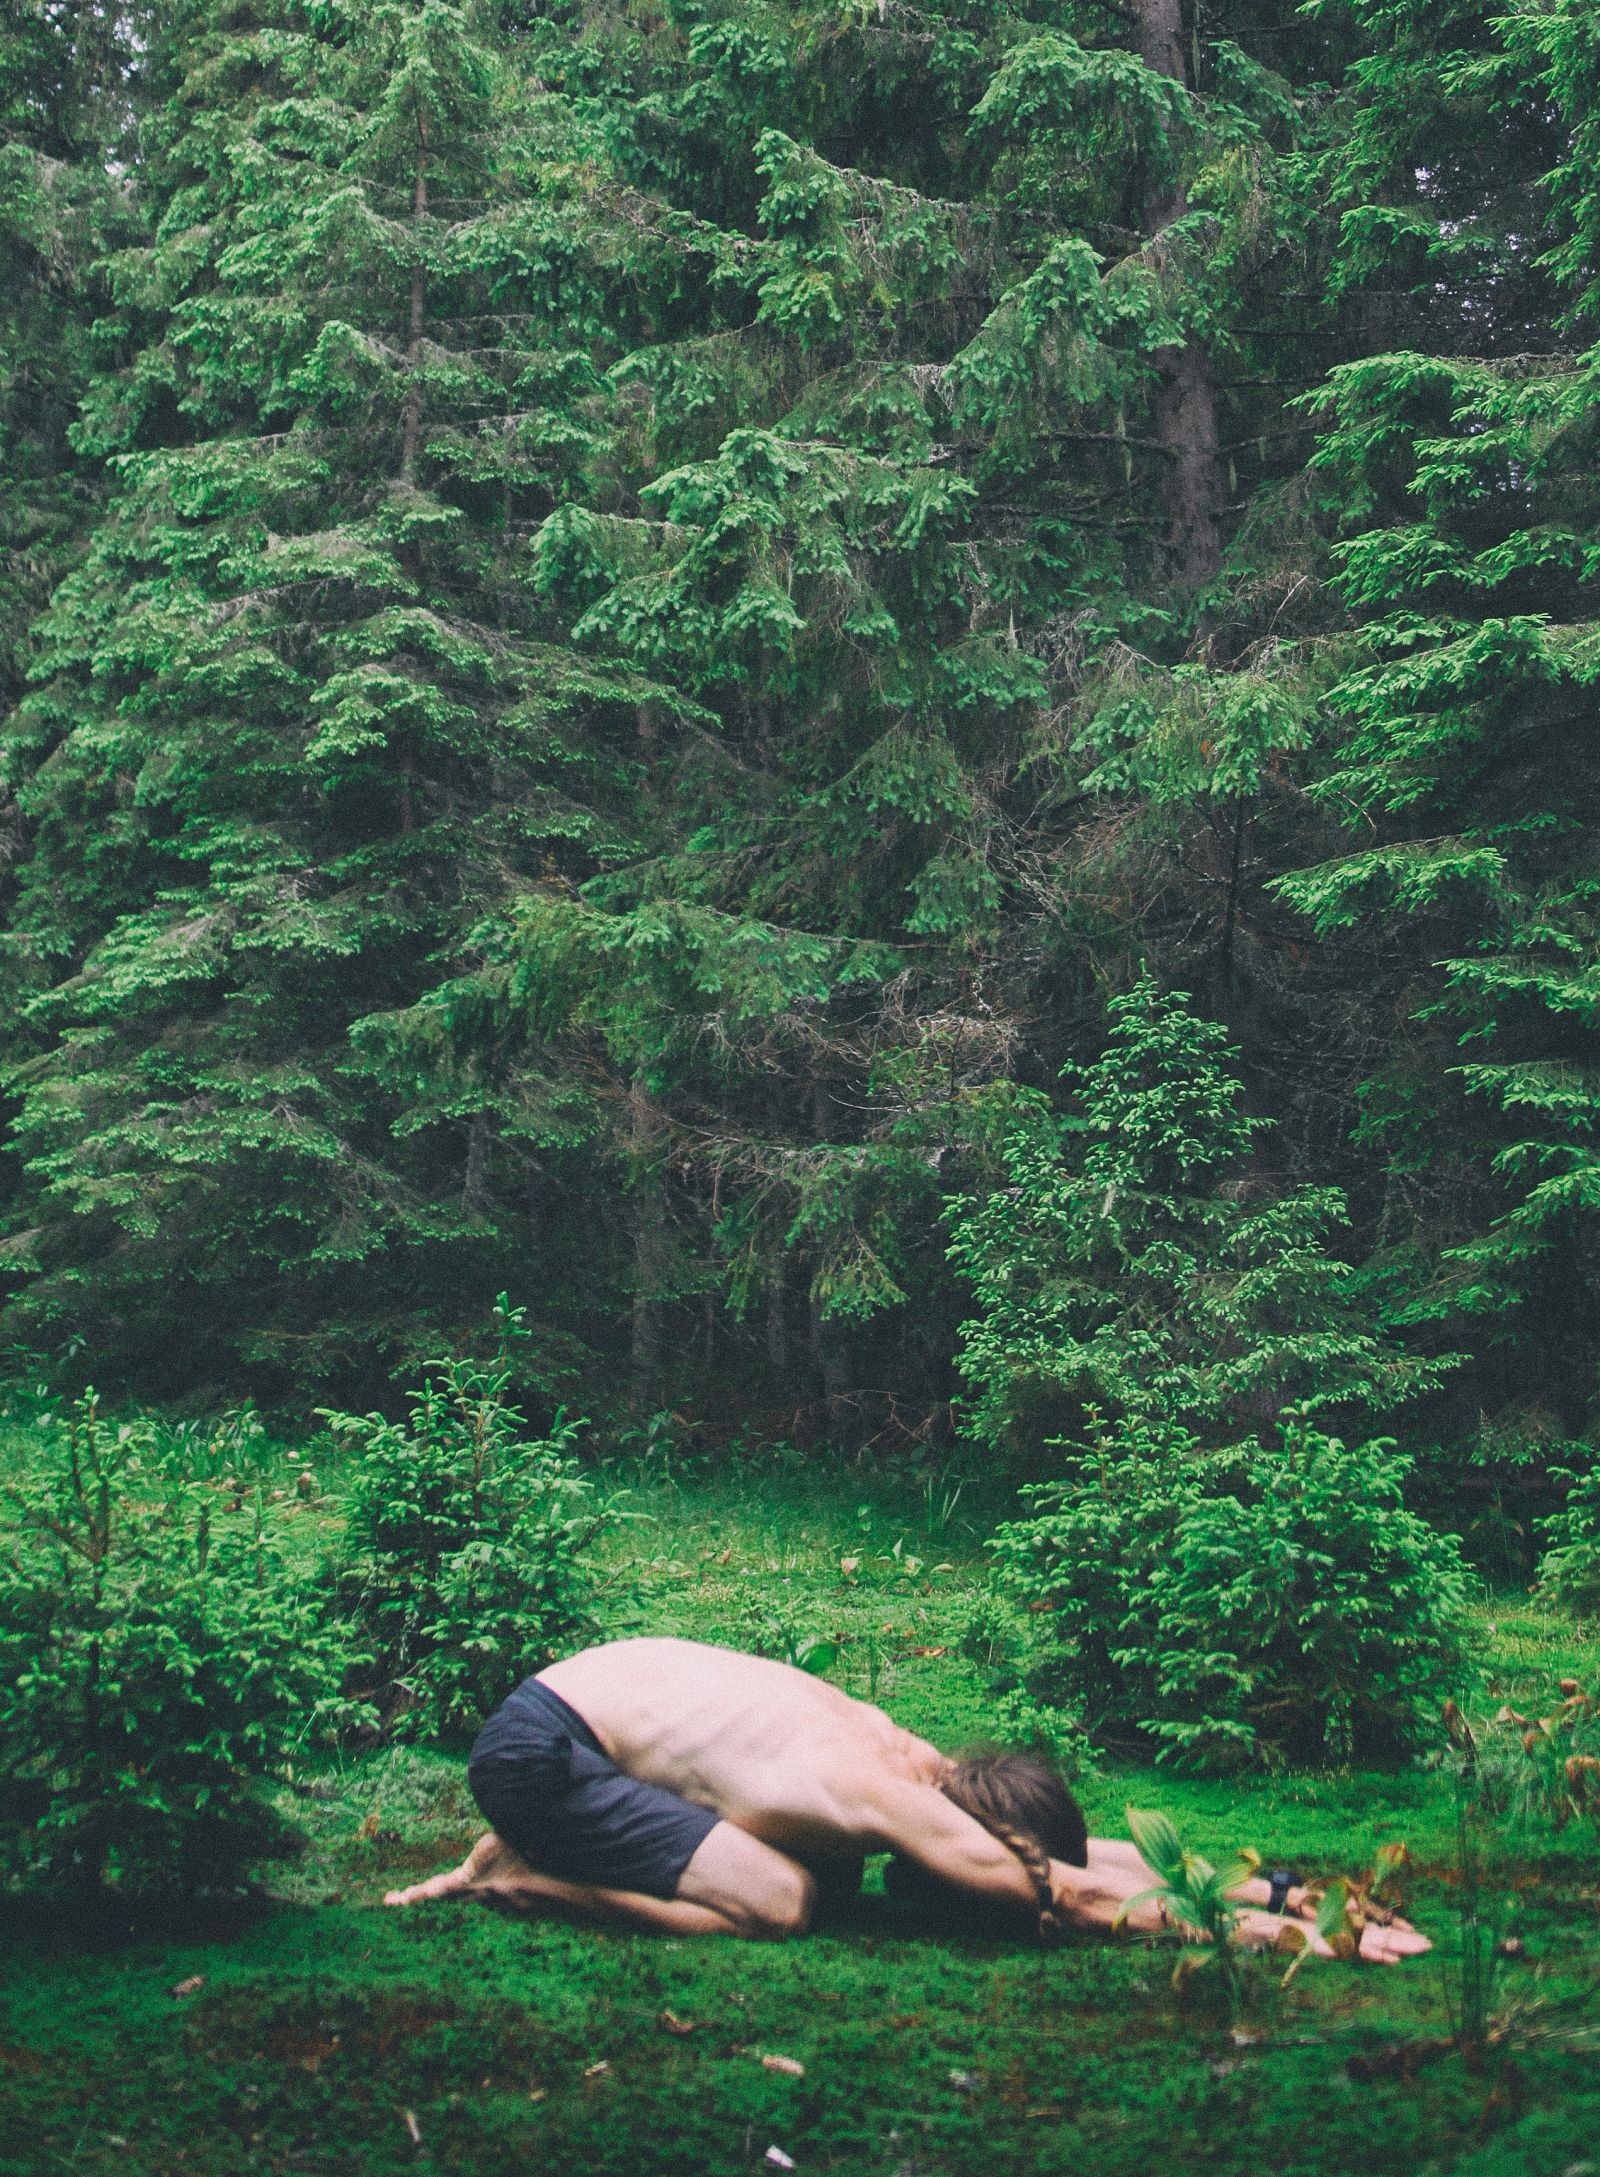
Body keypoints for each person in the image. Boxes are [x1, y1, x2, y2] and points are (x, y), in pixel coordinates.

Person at [384, 1636, 1430, 1962]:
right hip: (542, 1754)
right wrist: (1301, 1938)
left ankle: (537, 1848)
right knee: (785, 1899)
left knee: (821, 1877)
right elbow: (1064, 1894)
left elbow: (1073, 1857)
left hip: (583, 1718)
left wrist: (1288, 1885)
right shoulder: (880, 1788)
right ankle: (526, 1873)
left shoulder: (919, 1763)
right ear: (967, 1828)